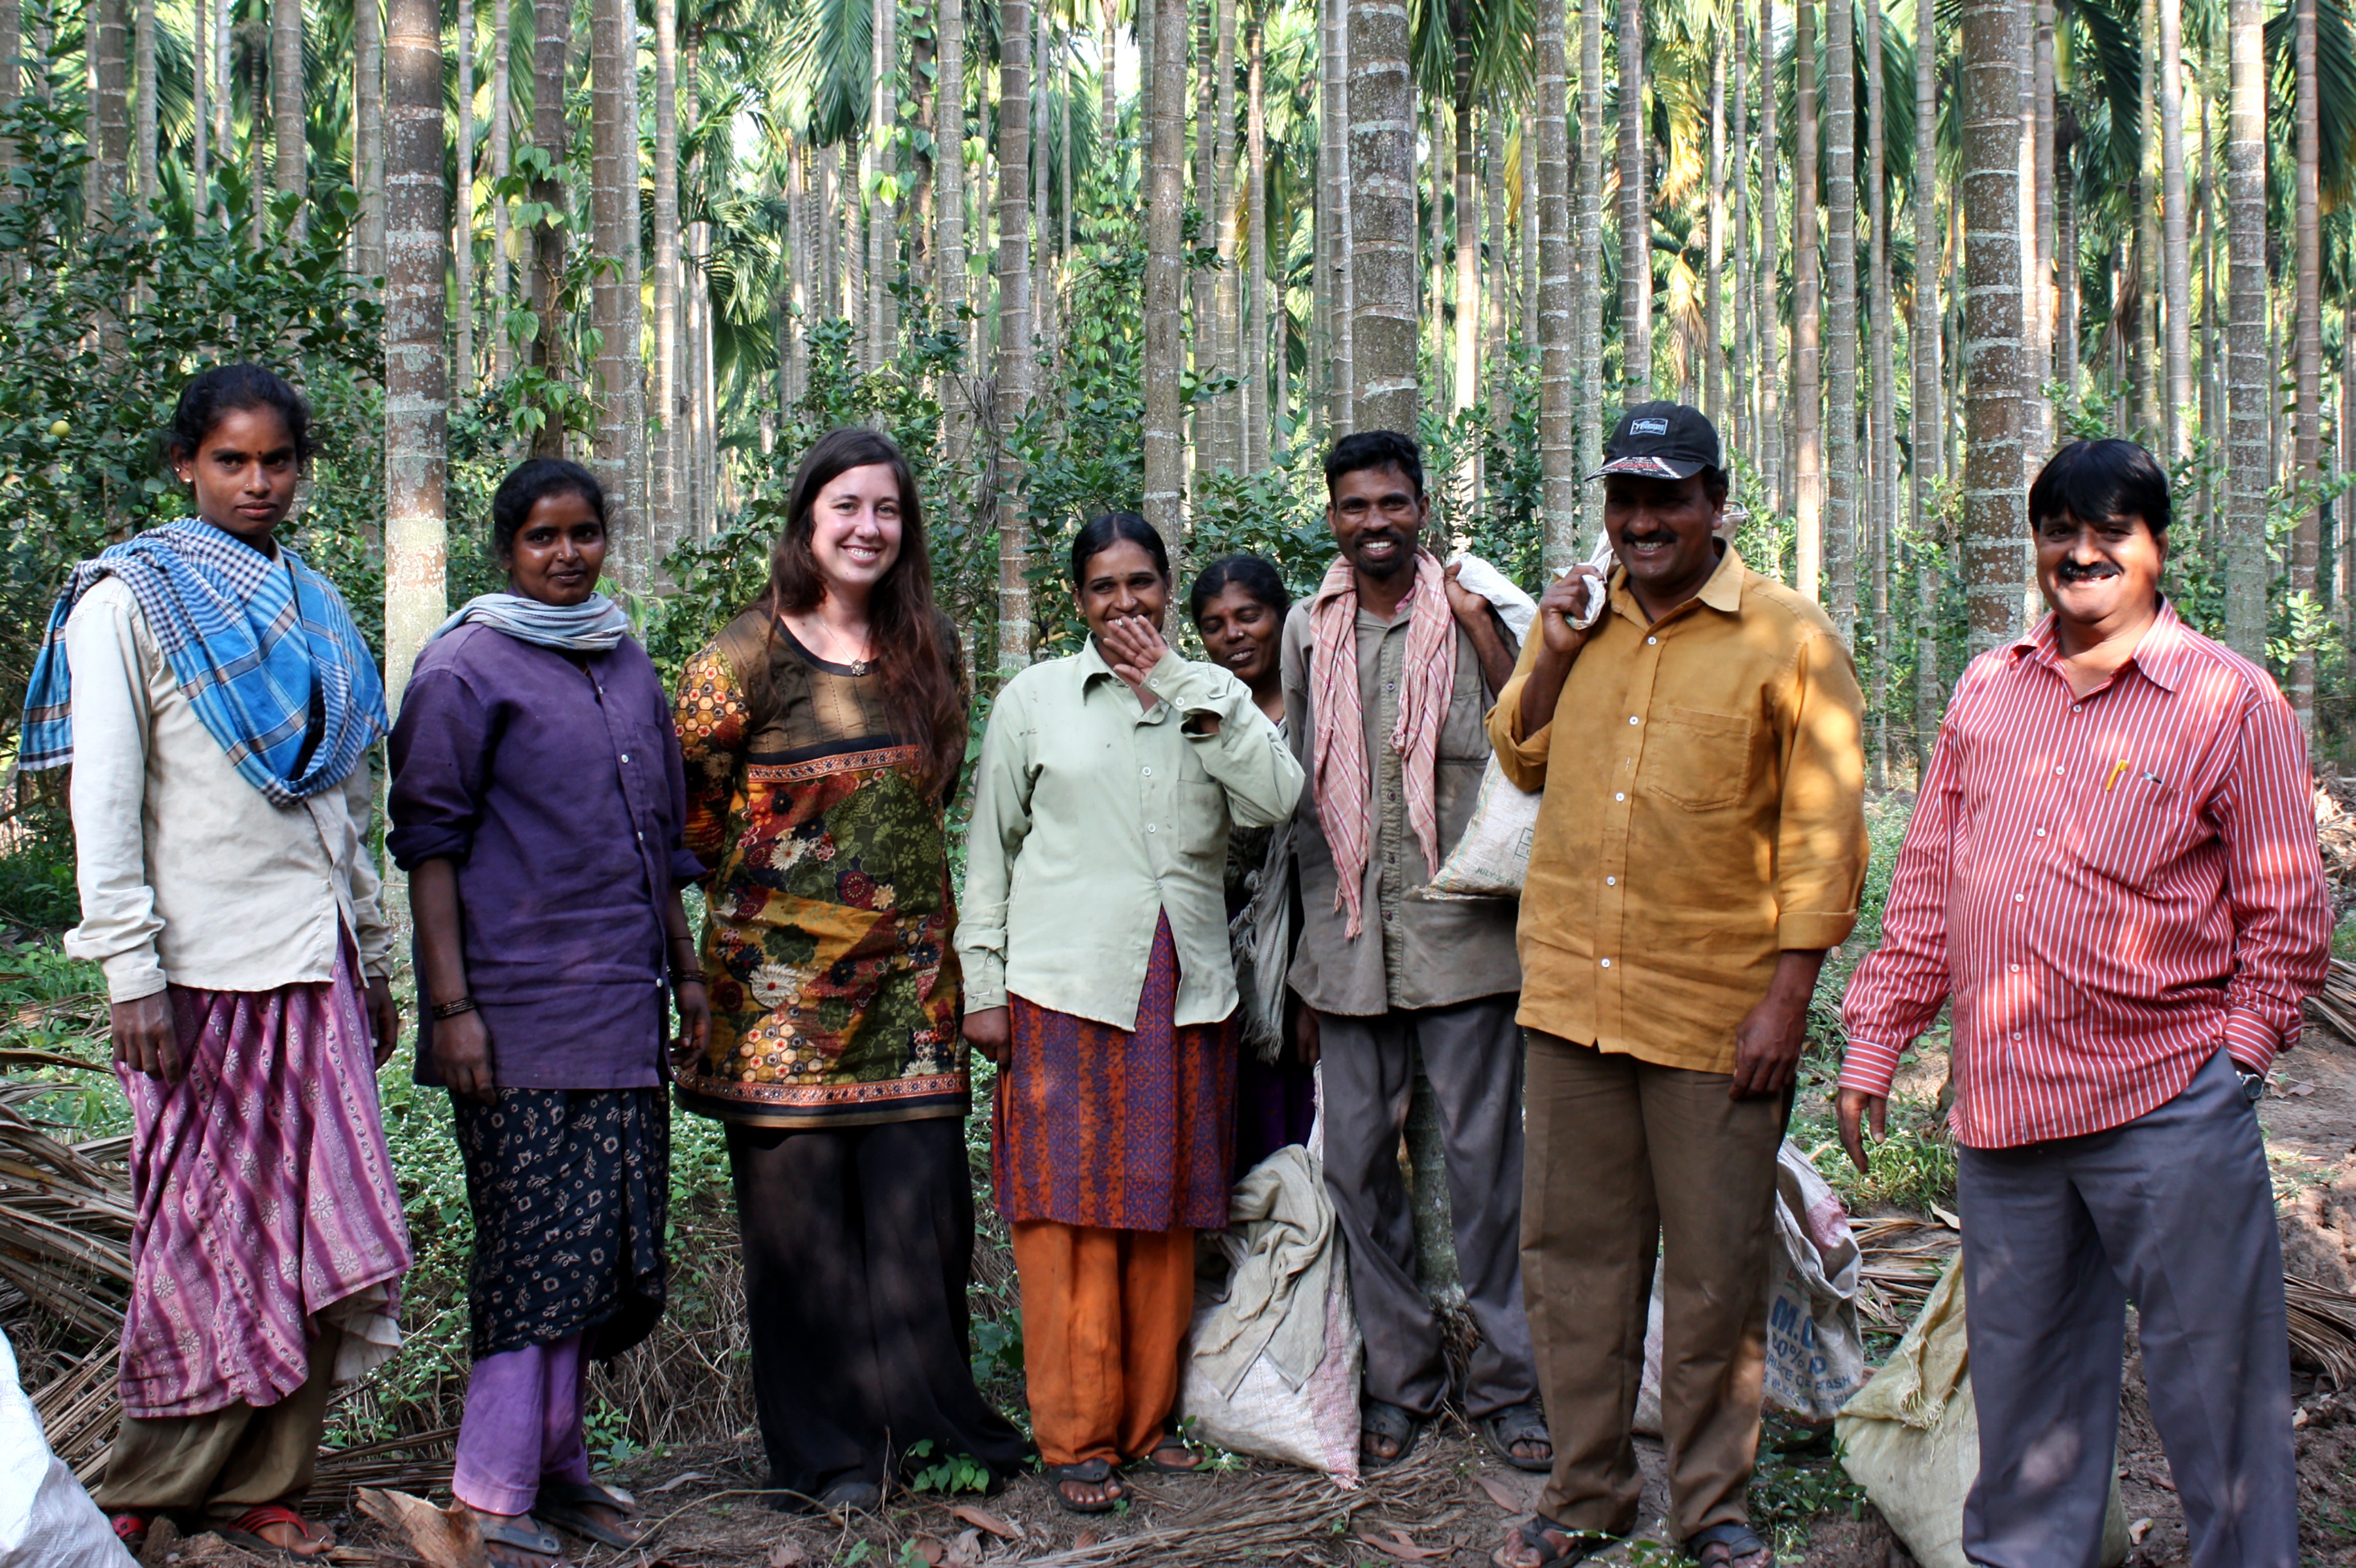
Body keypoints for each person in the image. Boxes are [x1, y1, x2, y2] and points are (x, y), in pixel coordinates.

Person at [1839, 438, 2329, 1568]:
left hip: (2167, 1104)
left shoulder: (2227, 700)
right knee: (2029, 1399)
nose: (2083, 550)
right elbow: (1927, 889)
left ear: (2159, 548)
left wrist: (2236, 1064)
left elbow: (2286, 914)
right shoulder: (1987, 688)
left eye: (2112, 529)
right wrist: (1875, 1039)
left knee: (2218, 1387)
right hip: (2011, 1114)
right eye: (2061, 528)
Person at [20, 365, 411, 1559]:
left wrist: (377, 955)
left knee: (308, 1234)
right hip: (196, 977)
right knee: (197, 1235)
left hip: (313, 966)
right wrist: (129, 971)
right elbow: (108, 798)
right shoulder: (127, 603)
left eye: (277, 460)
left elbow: (350, 807)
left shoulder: (318, 612)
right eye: (232, 460)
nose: (257, 481)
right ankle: (157, 1481)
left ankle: (267, 1486)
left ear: (300, 468)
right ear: (187, 464)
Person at [1484, 402, 1868, 1568]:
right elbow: (1518, 752)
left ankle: (1713, 1509)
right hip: (1572, 1005)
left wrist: (1787, 1003)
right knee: (1572, 1264)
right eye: (1626, 499)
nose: (1643, 521)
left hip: (1716, 1013)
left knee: (1713, 1276)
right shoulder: (1582, 625)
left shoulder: (1787, 637)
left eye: (1668, 498)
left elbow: (1822, 837)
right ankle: (1587, 1492)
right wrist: (1548, 644)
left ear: (1716, 505)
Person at [671, 427, 1023, 1514]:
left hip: (912, 997)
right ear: (806, 523)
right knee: (799, 1238)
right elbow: (687, 819)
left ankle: (928, 1434)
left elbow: (936, 786)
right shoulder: (737, 662)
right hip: (778, 1013)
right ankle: (824, 1458)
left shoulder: (935, 650)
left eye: (887, 510)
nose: (868, 529)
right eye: (846, 509)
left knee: (922, 1226)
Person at [387, 459, 708, 1566]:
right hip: (514, 1016)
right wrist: (453, 1010)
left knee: (601, 1245)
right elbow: (429, 847)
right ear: (505, 548)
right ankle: (488, 1485)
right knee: (531, 1247)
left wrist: (693, 976)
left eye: (584, 534)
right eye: (542, 538)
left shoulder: (624, 658)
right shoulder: (465, 666)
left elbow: (663, 845)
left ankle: (556, 1470)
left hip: (622, 1008)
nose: (567, 554)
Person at [959, 514, 1303, 1514]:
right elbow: (990, 855)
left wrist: (1189, 686)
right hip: (1063, 988)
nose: (1126, 604)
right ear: (1077, 599)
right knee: (1065, 1213)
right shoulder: (1034, 702)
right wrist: (984, 987)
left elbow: (1277, 797)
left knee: (1166, 1211)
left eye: (1143, 584)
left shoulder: (1213, 698)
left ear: (1167, 591)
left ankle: (1147, 1428)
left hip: (1187, 990)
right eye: (1104, 587)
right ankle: (1076, 1439)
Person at [1280, 430, 1548, 1474]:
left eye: (1392, 504)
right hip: (1348, 944)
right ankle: (1399, 1382)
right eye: (1354, 507)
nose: (1374, 523)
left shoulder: (1479, 609)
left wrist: (1483, 631)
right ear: (1333, 518)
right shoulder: (1311, 631)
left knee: (1489, 1174)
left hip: (1464, 938)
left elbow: (1533, 732)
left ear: (1423, 510)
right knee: (1355, 1169)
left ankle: (1512, 1388)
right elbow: (1299, 780)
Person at [1189, 553, 1317, 1174]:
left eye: (1249, 616)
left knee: (1292, 1132)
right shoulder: (1199, 716)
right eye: (1215, 625)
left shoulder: (1319, 712)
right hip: (1214, 954)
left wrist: (1312, 989)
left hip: (1300, 950)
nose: (1234, 635)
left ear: (1281, 616)